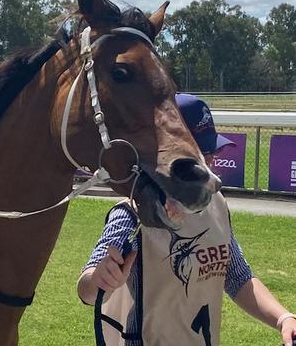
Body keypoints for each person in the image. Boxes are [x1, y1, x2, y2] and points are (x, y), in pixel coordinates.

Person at [77, 93, 296, 346]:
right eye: (201, 152)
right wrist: (97, 280)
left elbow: (237, 275)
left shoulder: (216, 202)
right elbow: (87, 289)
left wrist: (283, 317)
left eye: (211, 150)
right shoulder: (131, 214)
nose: (210, 161)